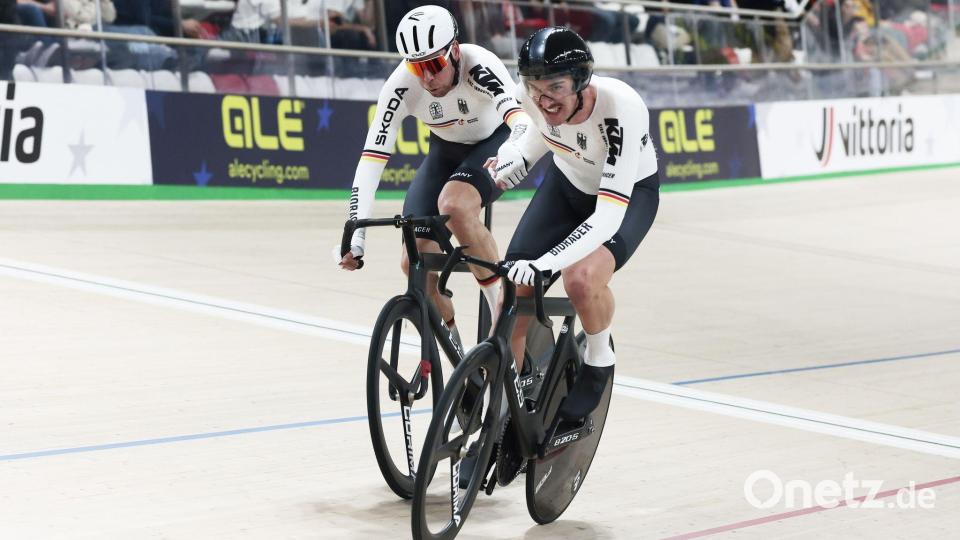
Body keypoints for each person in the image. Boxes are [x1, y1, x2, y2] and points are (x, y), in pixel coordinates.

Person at [336, 5, 532, 349]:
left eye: (433, 65)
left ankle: (502, 320)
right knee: (413, 261)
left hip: (497, 142)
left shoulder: (480, 64)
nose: (426, 78)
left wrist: (512, 156)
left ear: (454, 51)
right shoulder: (401, 85)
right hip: (446, 152)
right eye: (416, 67)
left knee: (455, 205)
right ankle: (457, 350)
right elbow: (371, 159)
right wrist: (357, 234)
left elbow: (521, 122)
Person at [489, 27, 660, 421]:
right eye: (535, 88)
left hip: (626, 198)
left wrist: (546, 264)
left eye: (556, 88)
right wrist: (513, 156)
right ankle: (499, 421)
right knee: (512, 296)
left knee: (580, 279)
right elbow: (531, 129)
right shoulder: (533, 96)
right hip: (567, 183)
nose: (544, 99)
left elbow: (606, 216)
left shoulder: (622, 108)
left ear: (581, 80)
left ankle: (599, 359)